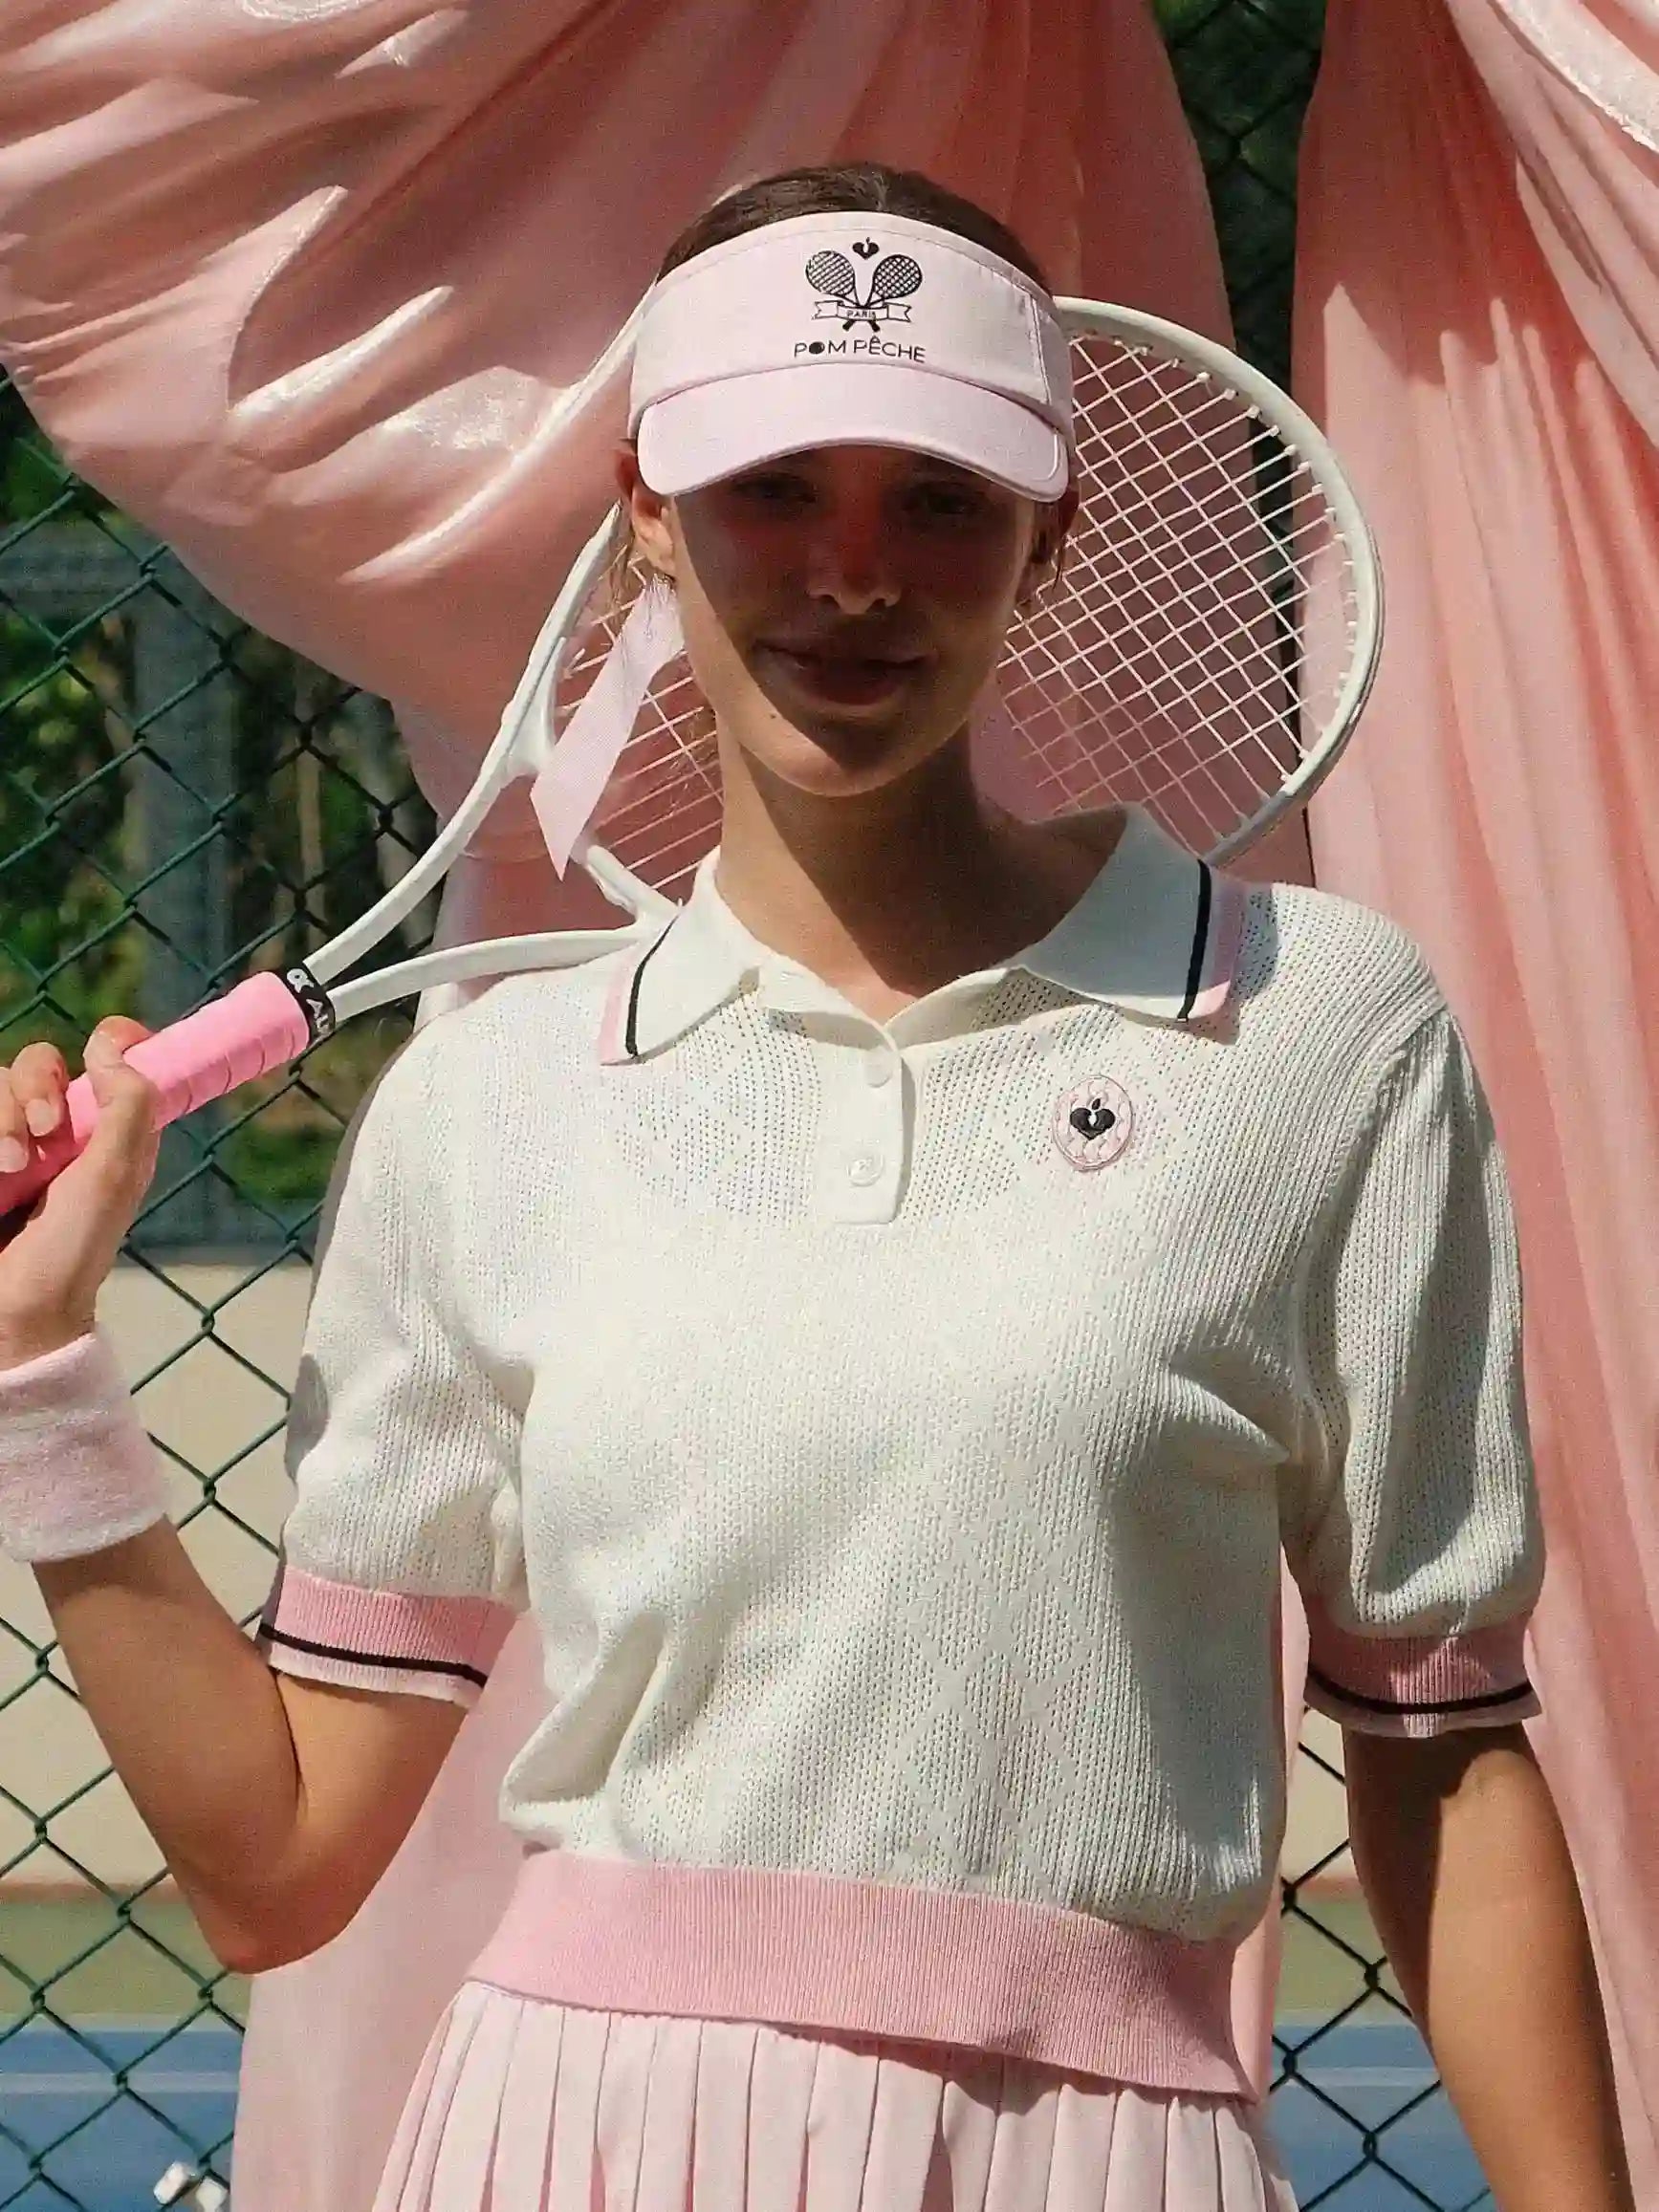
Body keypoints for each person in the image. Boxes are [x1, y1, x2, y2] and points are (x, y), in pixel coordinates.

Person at [0, 165, 1634, 2212]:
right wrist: (40, 1372)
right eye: (773, 487)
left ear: (1050, 535)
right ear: (646, 514)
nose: (853, 574)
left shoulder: (1328, 1029)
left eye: (938, 499)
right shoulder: (488, 1103)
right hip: (562, 2149)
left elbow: (1445, 1748)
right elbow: (276, 1864)